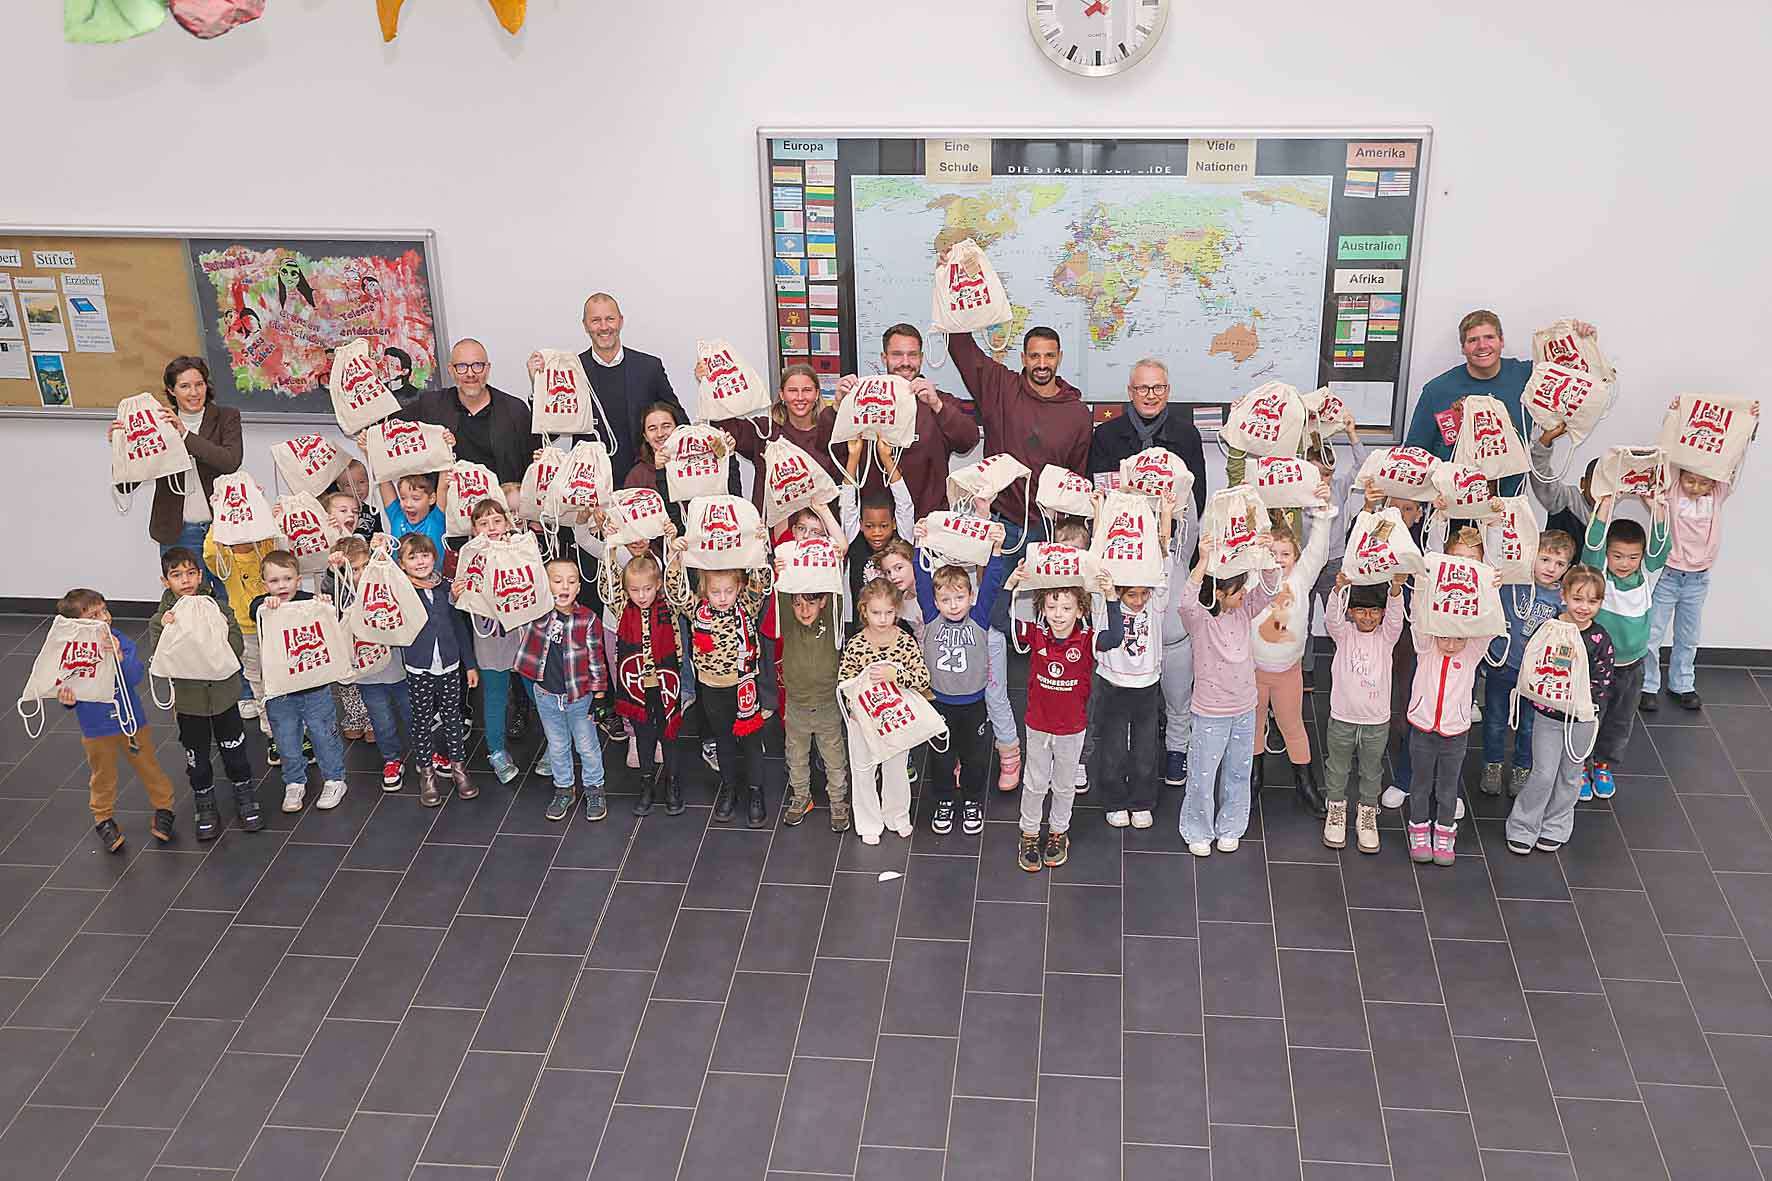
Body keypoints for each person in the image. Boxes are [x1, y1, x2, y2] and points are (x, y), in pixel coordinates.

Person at [1643, 400, 1757, 708]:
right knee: (1652, 633)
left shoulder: (1717, 492)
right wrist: (1675, 415)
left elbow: (1731, 461)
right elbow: (1666, 457)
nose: (1695, 487)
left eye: (1703, 482)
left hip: (1698, 579)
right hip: (1669, 574)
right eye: (1691, 480)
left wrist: (1746, 428)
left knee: (1688, 636)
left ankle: (1682, 684)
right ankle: (1648, 685)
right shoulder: (1673, 490)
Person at [1404, 312, 1596, 495]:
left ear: (1501, 341)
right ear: (1462, 347)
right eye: (1473, 340)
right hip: (1452, 506)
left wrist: (1583, 341)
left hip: (1510, 502)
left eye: (1489, 337)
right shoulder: (1437, 390)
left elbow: (1580, 381)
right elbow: (1414, 453)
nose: (1482, 345)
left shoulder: (1529, 376)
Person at [1006, 571, 1120, 872]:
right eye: (1052, 606)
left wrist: (1110, 597)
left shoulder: (1087, 639)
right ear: (1042, 607)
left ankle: (1058, 832)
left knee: (1064, 784)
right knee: (1034, 783)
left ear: (1081, 610)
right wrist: (1012, 585)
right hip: (1038, 724)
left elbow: (1116, 637)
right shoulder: (1036, 634)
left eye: (1067, 608)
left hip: (1072, 728)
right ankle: (1029, 833)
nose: (1059, 615)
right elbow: (997, 619)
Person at [108, 355, 243, 597]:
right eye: (184, 386)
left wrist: (184, 435)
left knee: (229, 600)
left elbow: (229, 462)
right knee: (186, 602)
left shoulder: (227, 417)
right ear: (171, 390)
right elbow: (126, 486)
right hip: (179, 530)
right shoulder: (155, 422)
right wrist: (123, 449)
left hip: (223, 527)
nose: (194, 392)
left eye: (199, 384)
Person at [57, 587, 179, 852]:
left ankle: (164, 807)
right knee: (102, 774)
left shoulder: (120, 640)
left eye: (104, 610)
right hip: (95, 727)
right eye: (94, 615)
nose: (104, 618)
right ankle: (103, 817)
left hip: (131, 720)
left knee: (148, 765)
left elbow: (135, 676)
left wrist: (120, 657)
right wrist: (68, 699)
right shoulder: (73, 652)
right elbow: (68, 686)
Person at [666, 532, 775, 826]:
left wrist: (760, 546)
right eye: (716, 592)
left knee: (751, 742)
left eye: (729, 591)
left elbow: (763, 581)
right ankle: (729, 788)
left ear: (739, 587)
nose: (723, 598)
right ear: (705, 589)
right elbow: (675, 591)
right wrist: (676, 557)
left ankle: (755, 791)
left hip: (743, 686)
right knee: (724, 741)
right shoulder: (697, 609)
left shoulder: (747, 607)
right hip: (711, 688)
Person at [1506, 564, 1614, 855]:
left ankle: (1556, 826)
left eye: (1593, 601)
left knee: (1570, 774)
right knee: (1543, 772)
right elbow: (1534, 661)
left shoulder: (1600, 638)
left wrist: (1588, 707)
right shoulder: (1549, 627)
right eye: (1578, 598)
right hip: (1548, 716)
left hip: (1582, 719)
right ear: (1564, 596)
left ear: (1601, 603)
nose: (1584, 607)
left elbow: (1604, 679)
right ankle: (1522, 826)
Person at [1177, 537, 1276, 855]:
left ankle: (1231, 825)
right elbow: (1185, 603)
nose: (1244, 593)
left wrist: (1267, 554)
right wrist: (1203, 561)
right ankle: (1197, 830)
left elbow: (1270, 588)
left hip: (1245, 707)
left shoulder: (1245, 609)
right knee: (1202, 773)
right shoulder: (1201, 619)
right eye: (1237, 590)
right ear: (1220, 593)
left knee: (1238, 769)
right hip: (1209, 711)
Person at [912, 521, 1010, 837]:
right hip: (940, 702)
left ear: (970, 597)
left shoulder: (979, 619)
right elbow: (922, 580)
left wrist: (996, 550)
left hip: (974, 703)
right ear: (936, 602)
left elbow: (993, 583)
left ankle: (971, 801)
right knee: (941, 757)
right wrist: (919, 545)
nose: (953, 606)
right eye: (946, 600)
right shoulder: (930, 617)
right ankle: (943, 800)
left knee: (975, 757)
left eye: (959, 598)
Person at [149, 547, 253, 842]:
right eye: (177, 575)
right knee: (196, 755)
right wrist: (166, 629)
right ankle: (204, 802)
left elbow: (235, 646)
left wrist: (214, 637)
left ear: (201, 575)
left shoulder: (218, 606)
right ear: (165, 580)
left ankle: (243, 791)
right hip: (189, 703)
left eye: (191, 573)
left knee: (234, 748)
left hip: (224, 697)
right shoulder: (162, 617)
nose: (186, 581)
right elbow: (161, 656)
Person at [527, 293, 684, 471]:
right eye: (595, 320)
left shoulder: (649, 367)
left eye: (610, 319)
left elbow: (679, 419)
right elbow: (549, 433)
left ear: (621, 321)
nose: (604, 327)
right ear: (585, 325)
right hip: (589, 480)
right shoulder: (571, 370)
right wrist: (539, 386)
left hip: (644, 476)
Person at [836, 325, 980, 518]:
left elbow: (969, 440)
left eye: (912, 355)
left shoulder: (938, 401)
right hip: (877, 529)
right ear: (883, 358)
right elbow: (831, 450)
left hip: (927, 526)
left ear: (921, 358)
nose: (905, 363)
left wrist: (937, 405)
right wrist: (838, 406)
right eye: (897, 355)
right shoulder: (864, 400)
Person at [1249, 499, 1335, 816]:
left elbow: (1319, 551)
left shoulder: (1300, 580)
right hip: (1254, 671)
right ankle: (1253, 779)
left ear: (1296, 558)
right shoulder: (1251, 579)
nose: (1278, 560)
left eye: (1285, 555)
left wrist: (1323, 516)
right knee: (1254, 725)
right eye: (1271, 554)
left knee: (1292, 725)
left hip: (1288, 672)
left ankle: (1305, 784)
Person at [1580, 507, 1669, 800]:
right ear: (1607, 554)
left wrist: (1658, 507)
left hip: (1632, 667)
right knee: (1590, 717)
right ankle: (1580, 765)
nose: (1625, 563)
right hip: (1596, 667)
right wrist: (1606, 504)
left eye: (1633, 557)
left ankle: (1603, 765)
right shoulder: (1599, 576)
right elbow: (1592, 544)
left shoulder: (1646, 577)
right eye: (1617, 555)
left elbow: (1661, 547)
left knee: (1620, 720)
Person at [250, 550, 348, 816]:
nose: (281, 586)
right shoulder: (262, 605)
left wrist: (324, 602)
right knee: (286, 740)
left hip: (315, 687)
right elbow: (254, 610)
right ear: (264, 584)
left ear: (299, 580)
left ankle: (334, 779)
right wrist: (266, 603)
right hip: (281, 691)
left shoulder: (309, 601)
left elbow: (328, 611)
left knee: (324, 734)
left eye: (287, 579)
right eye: (274, 581)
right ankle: (294, 781)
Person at [516, 558, 612, 822]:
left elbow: (596, 657)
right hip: (546, 695)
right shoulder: (537, 614)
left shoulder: (588, 619)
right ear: (545, 585)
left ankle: (594, 787)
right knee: (557, 745)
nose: (564, 587)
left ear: (579, 587)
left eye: (571, 581)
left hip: (579, 696)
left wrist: (600, 695)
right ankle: (564, 788)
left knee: (587, 745)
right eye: (557, 581)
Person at [1403, 569, 1487, 868]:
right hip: (1422, 730)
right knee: (1421, 783)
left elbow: (1486, 622)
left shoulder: (1472, 652)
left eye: (1458, 638)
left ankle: (1444, 832)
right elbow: (1418, 616)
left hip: (1456, 733)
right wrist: (1424, 587)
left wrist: (1488, 587)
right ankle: (1419, 829)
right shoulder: (1425, 648)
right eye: (1445, 636)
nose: (1451, 644)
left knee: (1448, 787)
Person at [1481, 530, 1575, 797]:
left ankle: (1523, 767)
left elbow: (1563, 639)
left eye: (1559, 564)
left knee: (1529, 724)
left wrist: (1559, 671)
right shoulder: (1512, 582)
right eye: (1545, 559)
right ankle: (1492, 764)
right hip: (1504, 663)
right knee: (1496, 719)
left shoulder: (1561, 600)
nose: (1551, 568)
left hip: (1537, 674)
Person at [839, 578, 933, 846]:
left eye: (889, 612)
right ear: (863, 611)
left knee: (896, 768)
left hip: (895, 717)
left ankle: (897, 815)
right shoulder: (856, 644)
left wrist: (897, 675)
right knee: (863, 770)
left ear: (897, 610)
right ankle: (868, 821)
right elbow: (844, 681)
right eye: (876, 612)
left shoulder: (904, 641)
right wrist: (854, 708)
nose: (882, 619)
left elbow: (922, 678)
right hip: (863, 719)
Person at [602, 535, 690, 817]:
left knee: (670, 736)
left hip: (666, 686)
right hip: (636, 687)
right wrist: (612, 547)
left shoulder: (669, 607)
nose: (642, 595)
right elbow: (609, 585)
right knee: (644, 737)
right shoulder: (622, 609)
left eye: (648, 588)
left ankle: (673, 783)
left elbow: (680, 588)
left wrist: (674, 553)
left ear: (658, 586)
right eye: (635, 590)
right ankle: (646, 784)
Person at [1320, 576, 1407, 853]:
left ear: (1381, 612)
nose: (1367, 617)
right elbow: (1331, 618)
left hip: (1376, 722)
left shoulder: (1387, 637)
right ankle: (1336, 809)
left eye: (1374, 611)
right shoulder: (1343, 633)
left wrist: (1395, 591)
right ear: (1350, 611)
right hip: (1342, 717)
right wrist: (1337, 589)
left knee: (1372, 771)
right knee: (1337, 766)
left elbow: (1396, 618)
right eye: (1360, 610)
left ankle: (1368, 813)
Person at [396, 534, 478, 806]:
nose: (420, 561)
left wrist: (470, 664)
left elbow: (459, 628)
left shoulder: (446, 587)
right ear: (402, 563)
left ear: (434, 557)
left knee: (452, 717)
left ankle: (458, 768)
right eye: (412, 556)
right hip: (419, 666)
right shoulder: (401, 590)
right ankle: (427, 773)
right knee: (422, 720)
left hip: (449, 664)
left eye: (425, 555)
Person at [451, 498, 525, 784]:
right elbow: (455, 601)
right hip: (490, 641)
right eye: (483, 523)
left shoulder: (521, 550)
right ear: (474, 529)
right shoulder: (469, 556)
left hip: (523, 638)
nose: (491, 528)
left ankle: (555, 748)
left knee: (538, 694)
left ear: (507, 522)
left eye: (497, 521)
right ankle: (496, 751)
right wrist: (457, 595)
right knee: (494, 698)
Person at [329, 536, 411, 790]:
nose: (361, 574)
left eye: (365, 566)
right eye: (354, 569)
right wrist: (333, 572)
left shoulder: (382, 581)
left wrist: (382, 557)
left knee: (413, 713)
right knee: (381, 719)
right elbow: (329, 598)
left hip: (397, 666)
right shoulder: (338, 591)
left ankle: (426, 752)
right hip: (366, 672)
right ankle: (391, 759)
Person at [399, 338, 538, 486]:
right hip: (448, 505)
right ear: (451, 370)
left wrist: (539, 385)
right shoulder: (430, 405)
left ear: (488, 368)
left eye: (477, 365)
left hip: (502, 505)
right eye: (461, 366)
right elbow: (388, 424)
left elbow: (541, 443)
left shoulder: (514, 409)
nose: (470, 373)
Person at [715, 362, 845, 517]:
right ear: (782, 395)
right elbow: (724, 426)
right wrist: (711, 381)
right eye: (792, 391)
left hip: (818, 530)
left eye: (807, 390)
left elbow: (841, 481)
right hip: (773, 535)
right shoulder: (765, 432)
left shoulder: (830, 432)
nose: (800, 397)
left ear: (817, 394)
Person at [1086, 357, 1209, 519]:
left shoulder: (1187, 435)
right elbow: (1100, 493)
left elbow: (1196, 497)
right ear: (1131, 392)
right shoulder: (1106, 435)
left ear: (1167, 391)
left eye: (1158, 388)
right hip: (1122, 530)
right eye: (1143, 388)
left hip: (1174, 531)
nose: (1151, 396)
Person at [778, 588, 851, 833]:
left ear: (824, 601)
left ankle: (838, 800)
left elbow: (835, 589)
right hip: (796, 705)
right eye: (797, 604)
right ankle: (801, 795)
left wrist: (836, 559)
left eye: (810, 604)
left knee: (834, 757)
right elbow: (782, 594)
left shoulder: (831, 622)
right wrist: (782, 572)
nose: (804, 610)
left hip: (827, 704)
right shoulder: (789, 624)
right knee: (795, 756)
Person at [202, 534, 274, 739]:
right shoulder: (226, 559)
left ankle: (299, 731)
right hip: (247, 630)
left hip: (274, 624)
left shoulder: (266, 547)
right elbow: (210, 553)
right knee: (257, 681)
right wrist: (219, 518)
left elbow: (280, 544)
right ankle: (270, 731)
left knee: (284, 677)